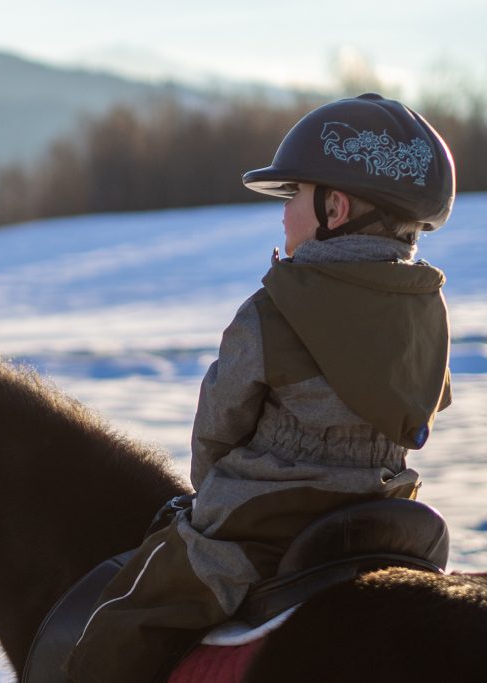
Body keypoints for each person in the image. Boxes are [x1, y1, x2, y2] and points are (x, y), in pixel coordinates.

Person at [66, 93, 455, 682]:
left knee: (122, 625)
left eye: (293, 195)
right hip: (384, 508)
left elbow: (218, 428)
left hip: (262, 525)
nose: (282, 213)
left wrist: (213, 493)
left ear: (335, 206)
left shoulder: (275, 308)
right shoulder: (429, 309)